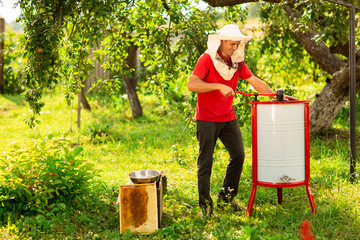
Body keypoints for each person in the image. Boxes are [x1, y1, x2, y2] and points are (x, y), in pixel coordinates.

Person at [188, 24, 296, 217]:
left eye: (237, 44)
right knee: (206, 162)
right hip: (206, 119)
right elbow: (192, 84)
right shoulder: (206, 58)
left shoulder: (237, 62)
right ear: (221, 41)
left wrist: (276, 96)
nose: (235, 48)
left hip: (228, 118)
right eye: (232, 44)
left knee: (238, 155)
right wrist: (218, 86)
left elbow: (254, 81)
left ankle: (226, 200)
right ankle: (205, 206)